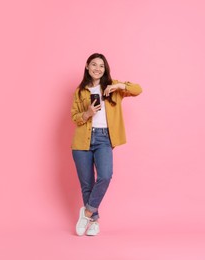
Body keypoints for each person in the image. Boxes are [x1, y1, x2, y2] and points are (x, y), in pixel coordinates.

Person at [71, 53, 142, 236]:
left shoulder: (113, 88)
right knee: (87, 184)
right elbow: (75, 117)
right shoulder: (80, 91)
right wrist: (87, 113)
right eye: (94, 65)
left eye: (101, 66)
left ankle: (86, 213)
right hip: (82, 141)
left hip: (104, 139)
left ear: (105, 69)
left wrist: (118, 85)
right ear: (87, 66)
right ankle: (94, 221)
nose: (97, 68)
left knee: (105, 176)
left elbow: (138, 89)